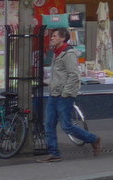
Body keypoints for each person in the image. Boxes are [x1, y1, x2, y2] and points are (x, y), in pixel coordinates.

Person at [37, 27, 101, 162]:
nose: (52, 38)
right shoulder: (56, 53)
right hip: (54, 94)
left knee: (66, 125)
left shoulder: (68, 54)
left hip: (63, 96)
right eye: (52, 36)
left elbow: (74, 75)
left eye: (54, 36)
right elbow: (59, 75)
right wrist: (48, 82)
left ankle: (93, 139)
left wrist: (66, 93)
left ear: (62, 38)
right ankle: (54, 153)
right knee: (48, 124)